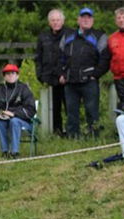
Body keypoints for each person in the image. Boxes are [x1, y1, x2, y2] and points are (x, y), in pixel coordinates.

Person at [59, 7, 110, 139]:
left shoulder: (99, 36)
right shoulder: (68, 36)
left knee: (92, 111)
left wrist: (95, 75)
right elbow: (60, 57)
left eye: (88, 18)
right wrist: (62, 74)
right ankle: (73, 137)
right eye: (83, 17)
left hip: (89, 80)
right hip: (70, 81)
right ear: (78, 20)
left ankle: (94, 136)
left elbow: (105, 59)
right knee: (71, 112)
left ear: (92, 20)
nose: (86, 20)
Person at [35, 9, 72, 137]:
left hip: (65, 78)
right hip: (49, 78)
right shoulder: (43, 37)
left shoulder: (70, 35)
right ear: (49, 22)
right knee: (53, 108)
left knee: (69, 106)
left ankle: (71, 132)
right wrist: (39, 75)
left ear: (63, 21)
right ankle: (56, 132)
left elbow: (72, 57)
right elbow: (38, 57)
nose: (56, 22)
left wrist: (65, 74)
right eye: (53, 20)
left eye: (58, 20)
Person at [0, 64, 36, 158]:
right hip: (5, 120)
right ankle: (5, 151)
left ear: (17, 76)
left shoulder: (24, 89)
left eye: (13, 73)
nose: (10, 76)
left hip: (24, 122)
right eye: (8, 74)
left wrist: (13, 114)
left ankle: (14, 152)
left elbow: (31, 110)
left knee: (14, 121)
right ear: (4, 76)